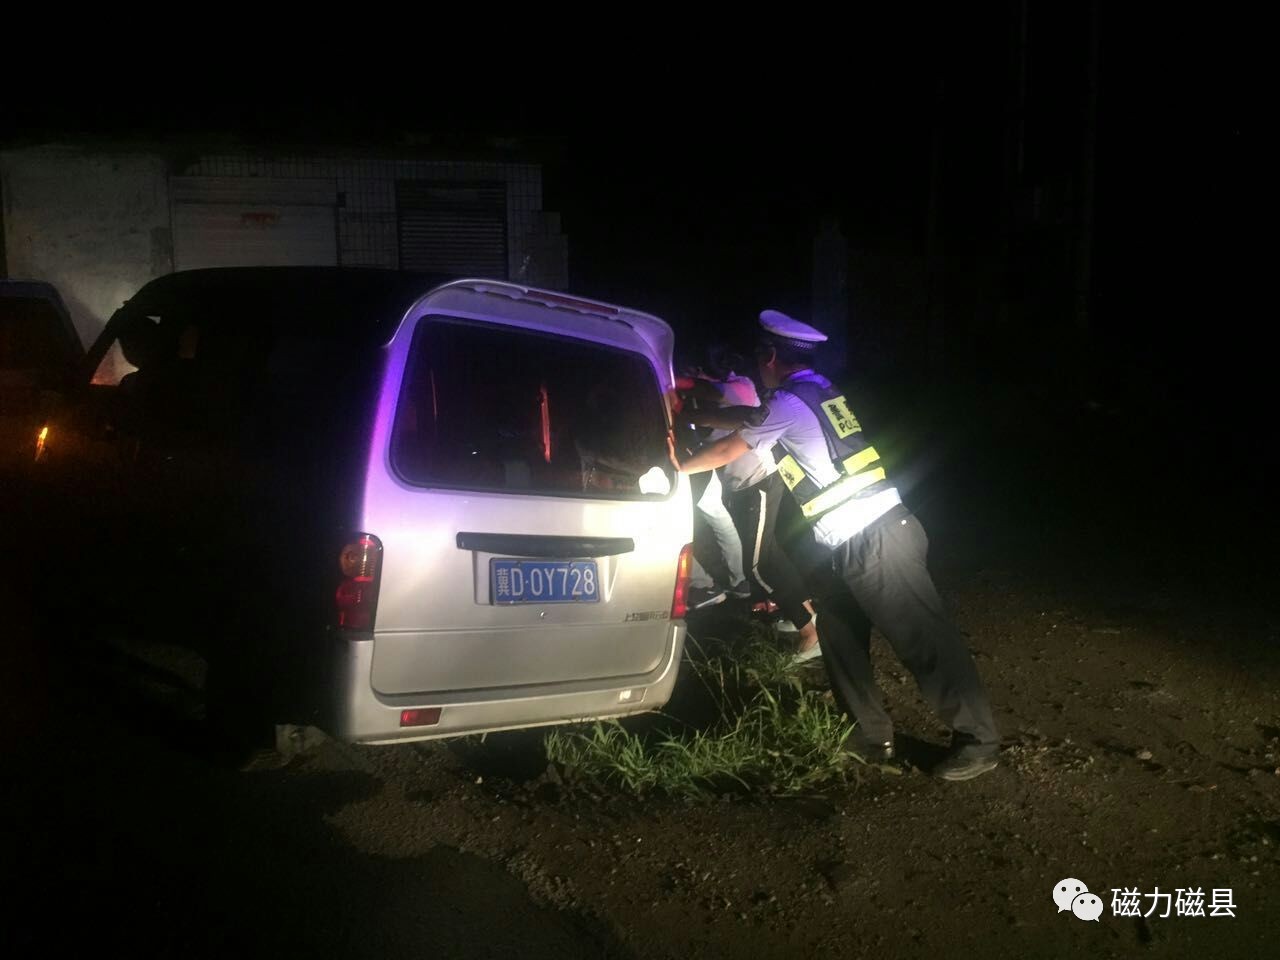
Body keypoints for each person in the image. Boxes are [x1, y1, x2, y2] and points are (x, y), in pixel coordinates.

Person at [667, 310, 1001, 781]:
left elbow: (728, 447)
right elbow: (749, 417)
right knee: (839, 635)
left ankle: (979, 740)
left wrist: (674, 468)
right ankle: (870, 735)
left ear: (768, 355)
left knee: (924, 640)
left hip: (873, 537)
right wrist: (694, 413)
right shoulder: (816, 390)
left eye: (758, 355)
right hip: (857, 536)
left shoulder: (787, 402)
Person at [683, 345, 820, 657]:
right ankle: (808, 614)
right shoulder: (736, 388)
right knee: (772, 555)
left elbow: (712, 404)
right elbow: (714, 413)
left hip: (758, 482)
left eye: (697, 373)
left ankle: (810, 634)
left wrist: (681, 395)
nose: (695, 379)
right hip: (754, 483)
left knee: (758, 565)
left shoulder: (733, 388)